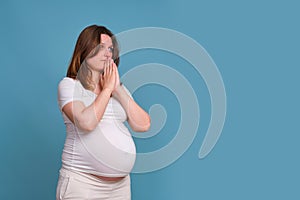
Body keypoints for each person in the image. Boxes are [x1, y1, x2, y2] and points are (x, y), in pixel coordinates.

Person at [56, 25, 151, 200]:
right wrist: (107, 89)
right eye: (101, 48)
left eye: (111, 49)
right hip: (82, 184)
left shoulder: (117, 88)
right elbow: (86, 123)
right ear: (85, 49)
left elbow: (143, 124)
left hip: (120, 188)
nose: (108, 54)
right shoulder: (69, 85)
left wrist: (117, 89)